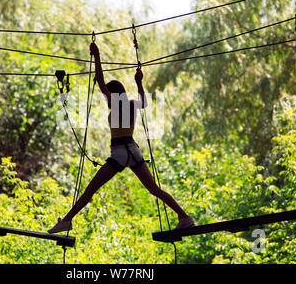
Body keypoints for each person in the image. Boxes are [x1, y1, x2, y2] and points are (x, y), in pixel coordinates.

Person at [48, 42, 194, 234]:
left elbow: (100, 82)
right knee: (154, 190)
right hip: (133, 151)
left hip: (119, 154)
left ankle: (67, 221)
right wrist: (139, 82)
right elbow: (144, 101)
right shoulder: (133, 104)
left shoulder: (115, 104)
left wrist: (97, 56)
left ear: (113, 94)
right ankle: (184, 216)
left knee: (90, 190)